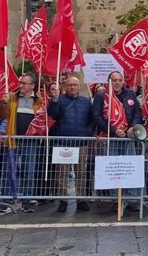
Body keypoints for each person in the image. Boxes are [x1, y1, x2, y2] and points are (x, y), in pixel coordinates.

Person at [92, 71, 143, 211]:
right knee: (113, 170)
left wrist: (132, 128)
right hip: (110, 137)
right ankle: (116, 200)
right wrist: (113, 131)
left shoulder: (130, 94)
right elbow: (97, 117)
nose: (117, 82)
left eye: (120, 80)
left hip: (128, 137)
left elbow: (137, 112)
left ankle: (132, 199)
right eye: (114, 80)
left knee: (130, 168)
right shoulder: (101, 96)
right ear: (109, 81)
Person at [0, 72, 43, 212]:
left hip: (31, 141)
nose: (21, 85)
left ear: (32, 86)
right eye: (21, 82)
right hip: (13, 139)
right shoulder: (11, 97)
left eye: (24, 83)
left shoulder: (39, 101)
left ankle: (27, 201)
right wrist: (4, 104)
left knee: (29, 171)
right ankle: (7, 200)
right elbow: (2, 115)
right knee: (10, 170)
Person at [48, 76, 94, 212]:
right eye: (69, 85)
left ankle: (81, 199)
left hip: (81, 142)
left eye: (75, 85)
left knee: (81, 172)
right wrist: (55, 100)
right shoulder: (59, 100)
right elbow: (53, 115)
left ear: (79, 87)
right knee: (62, 172)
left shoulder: (86, 102)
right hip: (63, 141)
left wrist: (88, 133)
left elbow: (92, 120)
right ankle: (63, 199)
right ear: (64, 87)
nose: (72, 87)